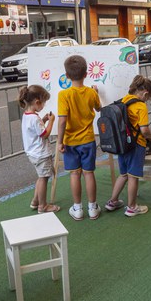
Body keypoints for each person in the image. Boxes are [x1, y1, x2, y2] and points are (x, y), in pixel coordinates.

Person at [57, 55, 102, 221]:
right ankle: (92, 208)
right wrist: (96, 93)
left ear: (67, 75)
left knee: (74, 174)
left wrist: (60, 141)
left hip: (70, 141)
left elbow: (62, 121)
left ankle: (77, 209)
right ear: (85, 74)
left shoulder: (63, 95)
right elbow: (99, 108)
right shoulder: (91, 92)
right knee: (89, 173)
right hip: (88, 140)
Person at [105, 75, 151, 217]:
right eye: (148, 97)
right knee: (133, 176)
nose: (147, 100)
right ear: (145, 93)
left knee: (123, 174)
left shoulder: (123, 100)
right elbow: (144, 130)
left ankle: (112, 201)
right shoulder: (140, 106)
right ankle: (132, 207)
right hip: (136, 145)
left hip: (121, 145)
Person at [19, 85, 60, 213]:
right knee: (43, 178)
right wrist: (52, 121)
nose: (44, 106)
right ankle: (43, 206)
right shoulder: (35, 119)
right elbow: (44, 134)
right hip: (41, 154)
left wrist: (44, 119)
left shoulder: (28, 115)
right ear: (37, 102)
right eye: (44, 103)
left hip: (33, 153)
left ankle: (35, 201)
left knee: (40, 176)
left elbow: (36, 130)